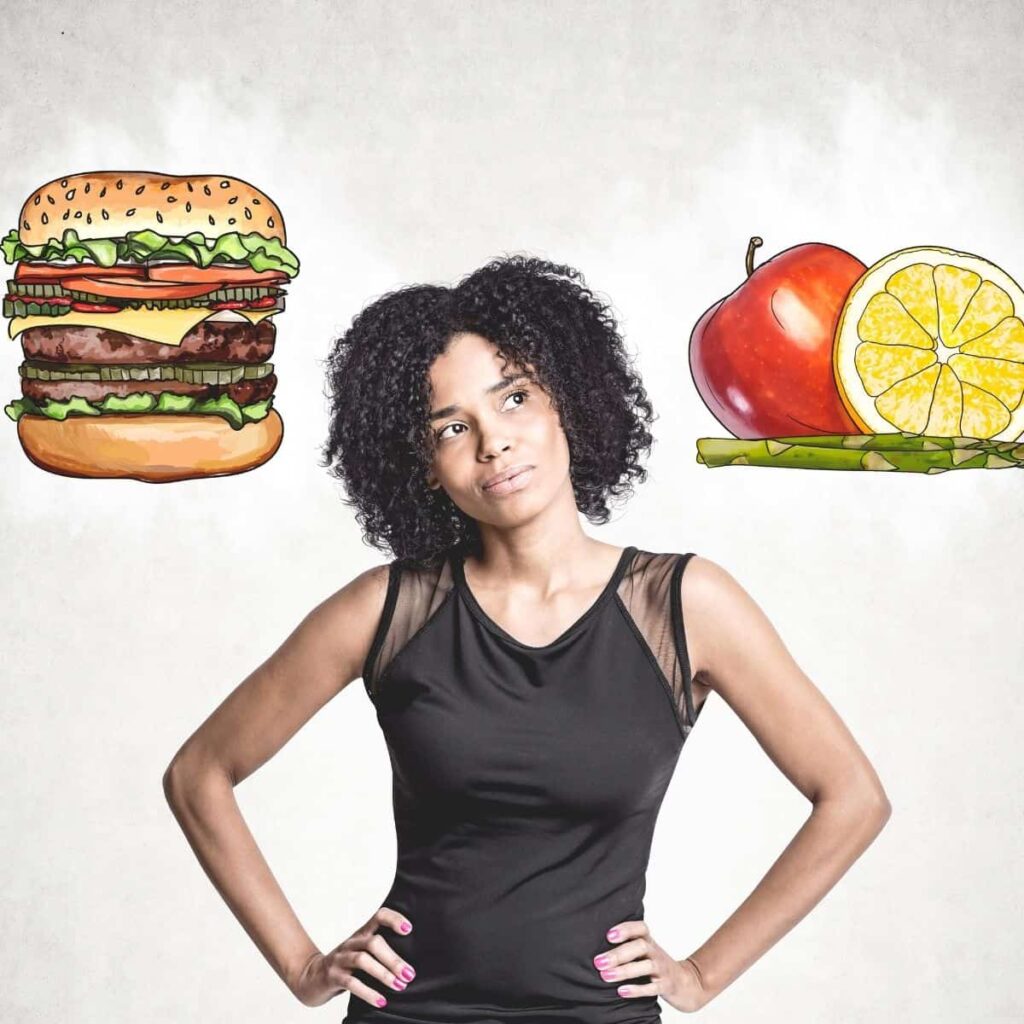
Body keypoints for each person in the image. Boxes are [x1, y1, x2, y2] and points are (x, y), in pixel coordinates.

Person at [162, 255, 891, 1022]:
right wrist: (303, 966)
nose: (494, 443)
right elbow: (199, 773)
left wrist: (703, 976)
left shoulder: (683, 605)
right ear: (422, 463)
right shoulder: (387, 610)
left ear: (567, 402)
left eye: (514, 398)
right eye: (452, 426)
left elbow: (852, 798)